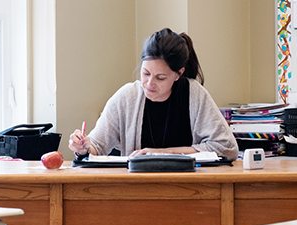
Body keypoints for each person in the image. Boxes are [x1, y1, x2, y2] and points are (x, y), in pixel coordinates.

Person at [68, 28, 238, 160]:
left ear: (179, 74)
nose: (149, 84)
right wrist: (83, 148)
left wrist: (162, 153)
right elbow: (96, 146)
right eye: (146, 73)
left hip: (189, 188)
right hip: (136, 189)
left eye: (160, 77)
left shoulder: (194, 95)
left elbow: (227, 147)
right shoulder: (127, 97)